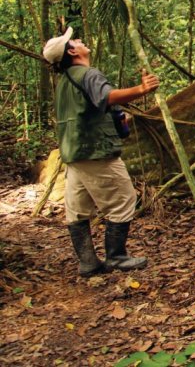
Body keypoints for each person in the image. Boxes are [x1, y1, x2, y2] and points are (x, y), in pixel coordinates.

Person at [42, 27, 159, 277]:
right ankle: (116, 256)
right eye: (74, 40)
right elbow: (107, 97)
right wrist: (142, 89)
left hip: (74, 154)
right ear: (72, 51)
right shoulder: (88, 74)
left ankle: (88, 262)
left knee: (77, 208)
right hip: (96, 153)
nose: (80, 40)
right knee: (124, 198)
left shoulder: (64, 81)